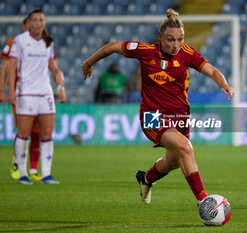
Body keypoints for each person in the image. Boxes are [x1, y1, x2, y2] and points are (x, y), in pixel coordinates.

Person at [81, 9, 234, 204]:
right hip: (152, 116)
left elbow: (212, 71)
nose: (176, 45)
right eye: (170, 39)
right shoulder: (145, 51)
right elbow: (112, 47)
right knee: (186, 148)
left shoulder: (187, 54)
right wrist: (89, 62)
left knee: (174, 161)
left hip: (179, 117)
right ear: (160, 37)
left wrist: (224, 84)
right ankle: (204, 202)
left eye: (180, 39)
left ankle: (146, 179)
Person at [8, 9, 66, 185]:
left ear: (44, 22)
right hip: (26, 92)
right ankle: (23, 172)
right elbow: (12, 67)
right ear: (29, 22)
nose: (38, 23)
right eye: (34, 20)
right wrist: (11, 90)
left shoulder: (48, 42)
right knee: (24, 134)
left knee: (47, 134)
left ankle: (46, 174)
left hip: (45, 92)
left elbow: (52, 66)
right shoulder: (20, 41)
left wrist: (59, 81)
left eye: (41, 20)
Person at [0, 17, 42, 182]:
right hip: (20, 92)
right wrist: (3, 89)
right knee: (24, 129)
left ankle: (33, 168)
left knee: (37, 131)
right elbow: (5, 67)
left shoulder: (42, 43)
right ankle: (17, 163)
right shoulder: (14, 42)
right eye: (31, 23)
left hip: (38, 92)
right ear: (25, 25)